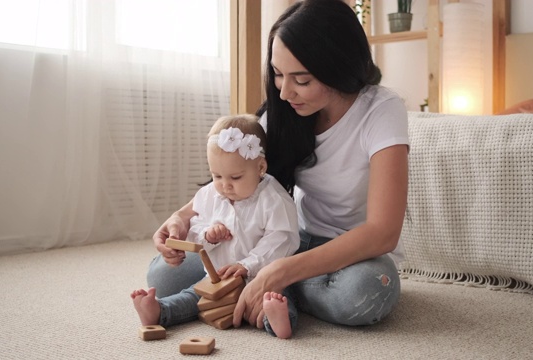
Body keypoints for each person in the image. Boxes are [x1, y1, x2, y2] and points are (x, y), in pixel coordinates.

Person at [149, 0, 408, 331]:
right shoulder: (283, 113)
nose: (285, 92)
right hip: (291, 237)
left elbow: (383, 232)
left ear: (338, 67)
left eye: (301, 79)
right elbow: (238, 176)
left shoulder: (381, 110)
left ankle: (269, 285)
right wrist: (181, 218)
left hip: (352, 253)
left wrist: (278, 270)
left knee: (364, 293)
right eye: (277, 74)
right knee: (162, 275)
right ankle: (273, 291)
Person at [132, 114, 300, 339]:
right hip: (217, 276)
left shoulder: (273, 198)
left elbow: (282, 238)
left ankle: (278, 320)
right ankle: (160, 311)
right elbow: (195, 229)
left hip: (262, 277)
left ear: (260, 167)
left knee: (279, 297)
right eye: (216, 175)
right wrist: (207, 235)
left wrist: (247, 265)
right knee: (194, 296)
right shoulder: (210, 194)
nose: (225, 185)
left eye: (236, 177)